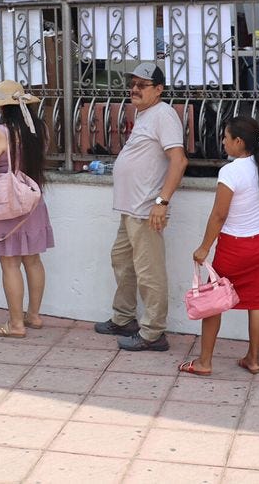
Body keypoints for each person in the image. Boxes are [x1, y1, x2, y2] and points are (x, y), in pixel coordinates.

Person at [94, 61, 186, 352]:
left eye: (142, 85)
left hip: (146, 209)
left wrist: (161, 202)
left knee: (149, 272)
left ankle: (153, 333)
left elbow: (179, 160)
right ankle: (123, 318)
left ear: (158, 90)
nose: (134, 89)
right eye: (132, 84)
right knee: (121, 261)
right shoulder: (147, 115)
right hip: (130, 209)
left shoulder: (163, 115)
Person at [183, 116, 259, 376]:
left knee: (214, 301)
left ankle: (204, 361)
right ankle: (253, 359)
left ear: (239, 141)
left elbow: (219, 215)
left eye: (226, 137)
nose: (223, 141)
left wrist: (204, 247)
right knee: (256, 301)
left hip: (234, 247)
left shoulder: (231, 171)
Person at [0, 80, 53, 338]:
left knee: (10, 265)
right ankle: (34, 315)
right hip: (32, 201)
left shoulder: (1, 131)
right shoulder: (39, 128)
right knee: (33, 260)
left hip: (7, 204)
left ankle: (16, 324)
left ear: (2, 107)